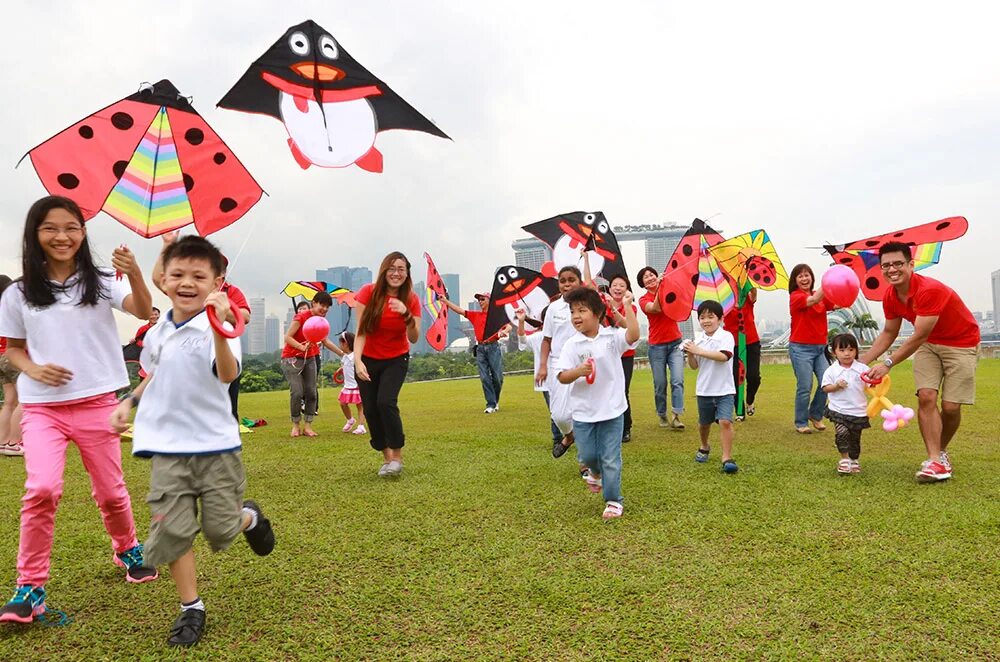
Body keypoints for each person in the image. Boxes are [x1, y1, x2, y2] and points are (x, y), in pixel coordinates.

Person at [109, 236, 274, 647]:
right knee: (174, 533)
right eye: (178, 274)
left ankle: (248, 517)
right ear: (163, 280)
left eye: (198, 276)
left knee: (220, 531)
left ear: (216, 282)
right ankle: (191, 608)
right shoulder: (159, 329)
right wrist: (129, 401)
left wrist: (220, 328)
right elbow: (155, 374)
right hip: (167, 449)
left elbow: (227, 373)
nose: (186, 283)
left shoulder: (224, 322)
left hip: (215, 447)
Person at [0, 196, 157, 625]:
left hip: (97, 403)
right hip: (42, 409)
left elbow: (144, 311)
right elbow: (12, 350)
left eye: (71, 227)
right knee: (42, 490)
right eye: (50, 228)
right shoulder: (18, 292)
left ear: (83, 233)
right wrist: (34, 368)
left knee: (110, 492)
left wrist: (138, 273)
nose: (61, 236)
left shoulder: (104, 278)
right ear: (35, 234)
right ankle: (30, 587)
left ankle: (127, 547)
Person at [861, 242, 980, 483]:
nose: (892, 269)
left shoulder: (929, 290)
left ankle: (940, 453)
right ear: (881, 269)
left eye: (898, 264)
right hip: (929, 346)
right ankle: (934, 459)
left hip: (961, 343)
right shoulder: (890, 296)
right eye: (886, 265)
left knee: (950, 407)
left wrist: (887, 363)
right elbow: (888, 332)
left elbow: (918, 335)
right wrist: (862, 362)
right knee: (926, 396)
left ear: (911, 265)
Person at [556, 287, 639, 520]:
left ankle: (613, 501)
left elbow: (632, 335)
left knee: (611, 458)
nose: (576, 316)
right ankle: (594, 472)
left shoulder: (611, 337)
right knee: (589, 457)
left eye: (582, 310)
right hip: (583, 413)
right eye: (573, 311)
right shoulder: (572, 344)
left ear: (598, 313)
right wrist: (579, 371)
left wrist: (629, 306)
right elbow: (562, 376)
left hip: (612, 410)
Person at [153, 234, 250, 422]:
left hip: (222, 353)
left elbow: (244, 316)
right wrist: (167, 245)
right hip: (188, 354)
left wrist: (222, 310)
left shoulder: (231, 292)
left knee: (227, 402)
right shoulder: (188, 291)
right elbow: (159, 279)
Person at [354, 252, 421, 477]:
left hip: (396, 358)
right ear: (384, 271)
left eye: (401, 269)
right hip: (368, 359)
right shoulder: (367, 292)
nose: (396, 273)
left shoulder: (411, 299)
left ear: (407, 273)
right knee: (371, 409)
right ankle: (386, 458)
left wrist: (407, 316)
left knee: (386, 402)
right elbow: (361, 330)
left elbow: (414, 337)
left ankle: (397, 457)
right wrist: (357, 361)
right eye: (392, 268)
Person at [683, 300, 739, 474]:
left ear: (720, 319)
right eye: (702, 317)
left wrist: (697, 350)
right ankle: (704, 446)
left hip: (725, 390)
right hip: (704, 389)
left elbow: (724, 356)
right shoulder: (698, 338)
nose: (706, 321)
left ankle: (727, 457)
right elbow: (694, 366)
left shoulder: (726, 336)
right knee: (704, 424)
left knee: (725, 421)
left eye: (710, 316)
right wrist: (690, 353)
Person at [537, 266, 584, 458]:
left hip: (582, 363)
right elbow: (546, 339)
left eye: (571, 279)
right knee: (559, 415)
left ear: (579, 281)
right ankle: (570, 436)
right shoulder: (553, 308)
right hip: (558, 364)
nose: (567, 284)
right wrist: (542, 366)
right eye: (562, 280)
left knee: (584, 413)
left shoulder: (587, 304)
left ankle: (585, 462)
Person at [281, 292, 337, 437]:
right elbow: (287, 337)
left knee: (311, 392)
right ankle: (295, 425)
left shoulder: (320, 321)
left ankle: (308, 426)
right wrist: (300, 347)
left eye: (327, 307)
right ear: (313, 303)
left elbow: (325, 341)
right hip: (291, 358)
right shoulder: (302, 316)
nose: (324, 309)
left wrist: (343, 354)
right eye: (322, 305)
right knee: (297, 392)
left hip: (311, 357)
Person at [637, 266, 686, 430]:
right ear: (643, 284)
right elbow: (655, 308)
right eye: (646, 277)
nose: (650, 278)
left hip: (675, 343)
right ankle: (662, 413)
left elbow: (681, 299)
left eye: (652, 274)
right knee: (660, 383)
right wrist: (660, 286)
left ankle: (677, 415)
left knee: (677, 380)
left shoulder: (668, 290)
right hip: (656, 346)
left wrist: (668, 284)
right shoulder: (643, 300)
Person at [788, 264, 835, 434]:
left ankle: (815, 415)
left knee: (827, 383)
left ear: (812, 277)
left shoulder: (819, 296)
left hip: (820, 348)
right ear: (795, 281)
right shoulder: (796, 296)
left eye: (807, 275)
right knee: (805, 386)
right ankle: (801, 422)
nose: (804, 278)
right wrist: (829, 278)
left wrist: (841, 281)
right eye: (800, 276)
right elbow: (813, 301)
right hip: (800, 349)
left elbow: (836, 303)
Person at [441, 293, 505, 413]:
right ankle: (490, 404)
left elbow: (508, 327)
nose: (480, 302)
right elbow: (460, 311)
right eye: (478, 300)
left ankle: (495, 400)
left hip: (493, 347)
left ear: (489, 301)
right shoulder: (475, 315)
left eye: (482, 299)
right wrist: (445, 301)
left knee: (497, 377)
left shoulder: (495, 317)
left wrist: (503, 331)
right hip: (480, 348)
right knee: (484, 377)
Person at [821, 334, 870, 475]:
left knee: (855, 438)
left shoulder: (862, 368)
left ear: (856, 351)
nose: (847, 354)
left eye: (851, 349)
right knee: (842, 433)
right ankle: (844, 460)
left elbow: (870, 385)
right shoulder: (832, 370)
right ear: (834, 352)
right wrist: (836, 386)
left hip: (858, 411)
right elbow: (825, 387)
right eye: (842, 350)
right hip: (839, 410)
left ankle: (854, 460)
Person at [516, 309, 562, 448]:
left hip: (565, 377)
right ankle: (557, 439)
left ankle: (571, 435)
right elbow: (523, 339)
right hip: (547, 381)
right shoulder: (539, 337)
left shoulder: (564, 335)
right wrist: (521, 321)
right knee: (554, 410)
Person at [604, 274, 638, 442]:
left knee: (622, 390)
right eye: (614, 285)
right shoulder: (602, 305)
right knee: (606, 389)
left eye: (621, 285)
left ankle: (626, 428)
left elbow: (627, 326)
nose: (618, 288)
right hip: (607, 354)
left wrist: (615, 308)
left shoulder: (631, 306)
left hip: (625, 355)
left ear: (627, 290)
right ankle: (609, 425)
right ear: (609, 289)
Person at [723, 288, 762, 420]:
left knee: (754, 377)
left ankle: (750, 400)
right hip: (733, 344)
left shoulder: (747, 295)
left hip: (751, 342)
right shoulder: (724, 299)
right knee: (735, 379)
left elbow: (754, 293)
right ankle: (739, 410)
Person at [0, 275, 23, 457]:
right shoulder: (9, 308)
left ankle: (3, 442)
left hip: (0, 358)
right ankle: (15, 443)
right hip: (12, 356)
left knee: (9, 402)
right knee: (24, 401)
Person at [334, 332, 366, 435]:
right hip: (348, 386)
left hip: (357, 386)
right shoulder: (345, 356)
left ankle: (361, 426)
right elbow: (345, 365)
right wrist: (341, 369)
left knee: (360, 406)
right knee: (342, 403)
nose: (340, 346)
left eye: (340, 343)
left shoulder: (355, 357)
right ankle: (350, 420)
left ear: (345, 344)